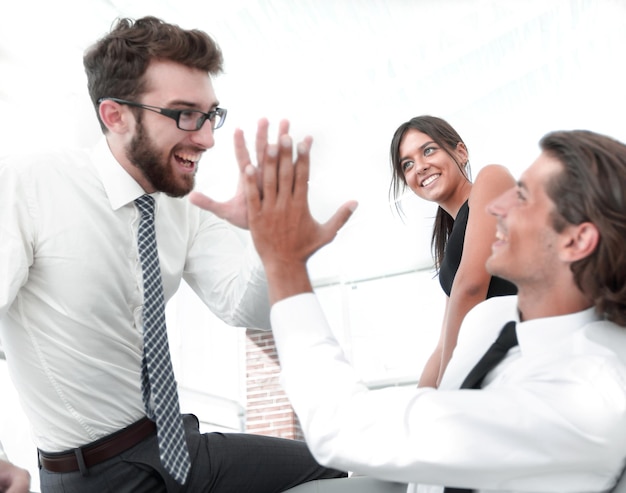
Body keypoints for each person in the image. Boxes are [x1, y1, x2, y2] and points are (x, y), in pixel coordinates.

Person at [0, 16, 344, 493]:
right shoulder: (30, 186)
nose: (206, 138)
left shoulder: (183, 208)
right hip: (95, 472)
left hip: (177, 443)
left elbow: (245, 307)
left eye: (210, 115)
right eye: (185, 114)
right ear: (115, 115)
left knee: (331, 466)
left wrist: (274, 248)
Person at [240, 127, 626, 492]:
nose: (498, 206)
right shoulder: (492, 321)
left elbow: (343, 427)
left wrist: (284, 264)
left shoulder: (587, 396)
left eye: (522, 196)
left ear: (577, 241)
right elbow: (436, 377)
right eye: (406, 162)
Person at [389, 116, 517, 387]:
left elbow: (471, 287)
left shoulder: (491, 178)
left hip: (525, 357)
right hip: (495, 366)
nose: (420, 167)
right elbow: (444, 341)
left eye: (428, 150)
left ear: (461, 152)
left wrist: (449, 387)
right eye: (408, 164)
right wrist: (423, 398)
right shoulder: (452, 250)